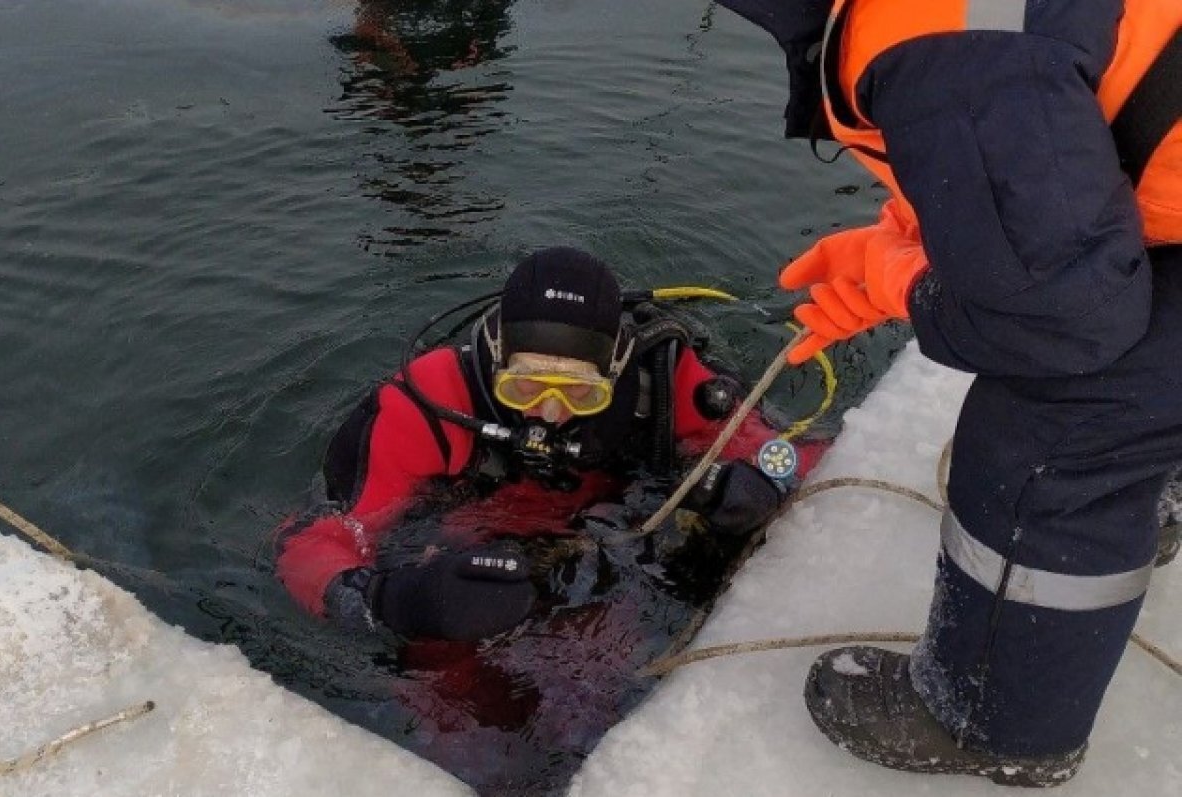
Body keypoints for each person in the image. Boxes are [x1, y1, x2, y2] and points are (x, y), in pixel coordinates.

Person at [715, 0, 1180, 787]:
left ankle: (993, 721)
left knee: (1047, 436)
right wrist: (926, 226)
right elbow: (1041, 127)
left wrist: (899, 279)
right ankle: (1157, 482)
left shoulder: (917, 29)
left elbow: (1067, 321)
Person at [274, 246, 816, 643]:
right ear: (494, 354)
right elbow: (311, 543)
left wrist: (758, 484)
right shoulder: (426, 406)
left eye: (580, 392)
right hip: (469, 544)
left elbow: (781, 451)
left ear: (617, 367)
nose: (550, 414)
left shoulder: (661, 379)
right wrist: (388, 601)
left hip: (614, 538)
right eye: (527, 386)